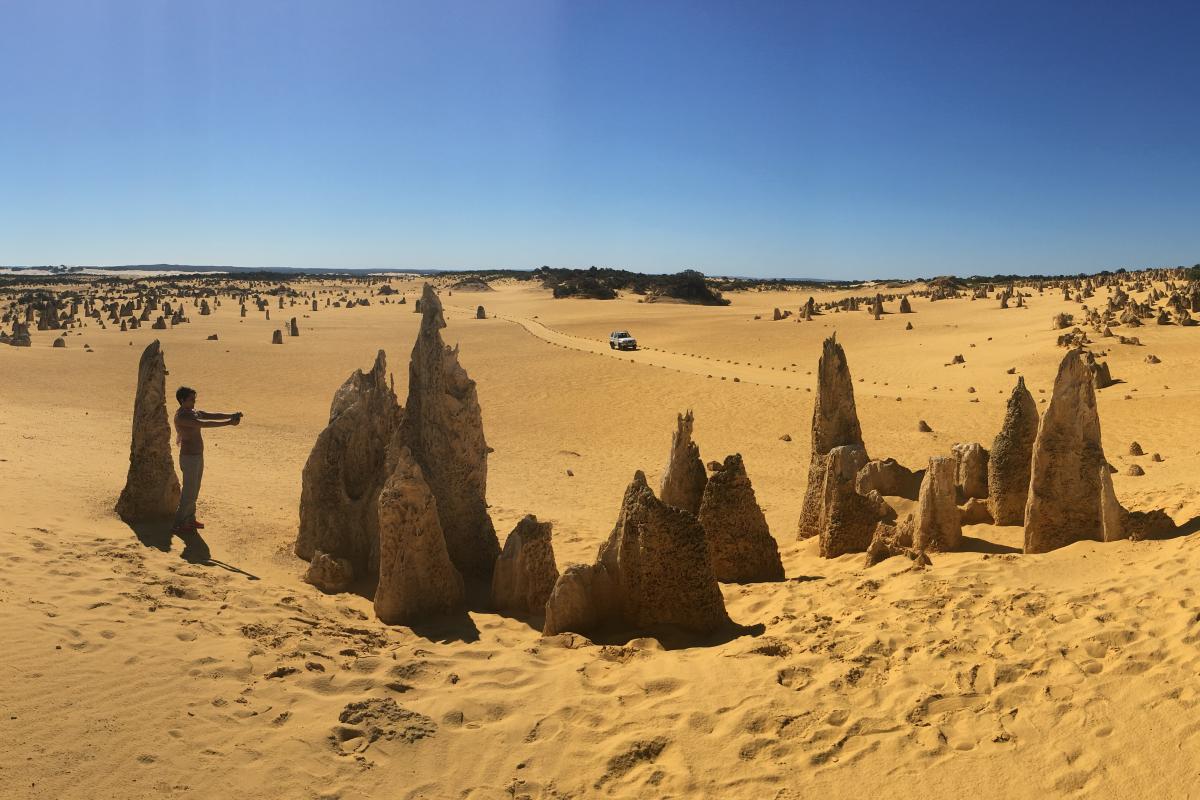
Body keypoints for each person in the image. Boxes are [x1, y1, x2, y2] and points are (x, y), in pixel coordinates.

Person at [172, 386, 242, 535]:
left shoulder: (192, 412)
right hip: (189, 457)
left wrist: (231, 414)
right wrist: (229, 423)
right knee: (188, 492)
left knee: (194, 490)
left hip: (197, 456)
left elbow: (209, 415)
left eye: (194, 399)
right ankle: (179, 523)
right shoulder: (182, 417)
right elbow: (203, 423)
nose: (194, 402)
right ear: (182, 400)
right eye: (191, 399)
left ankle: (189, 519)